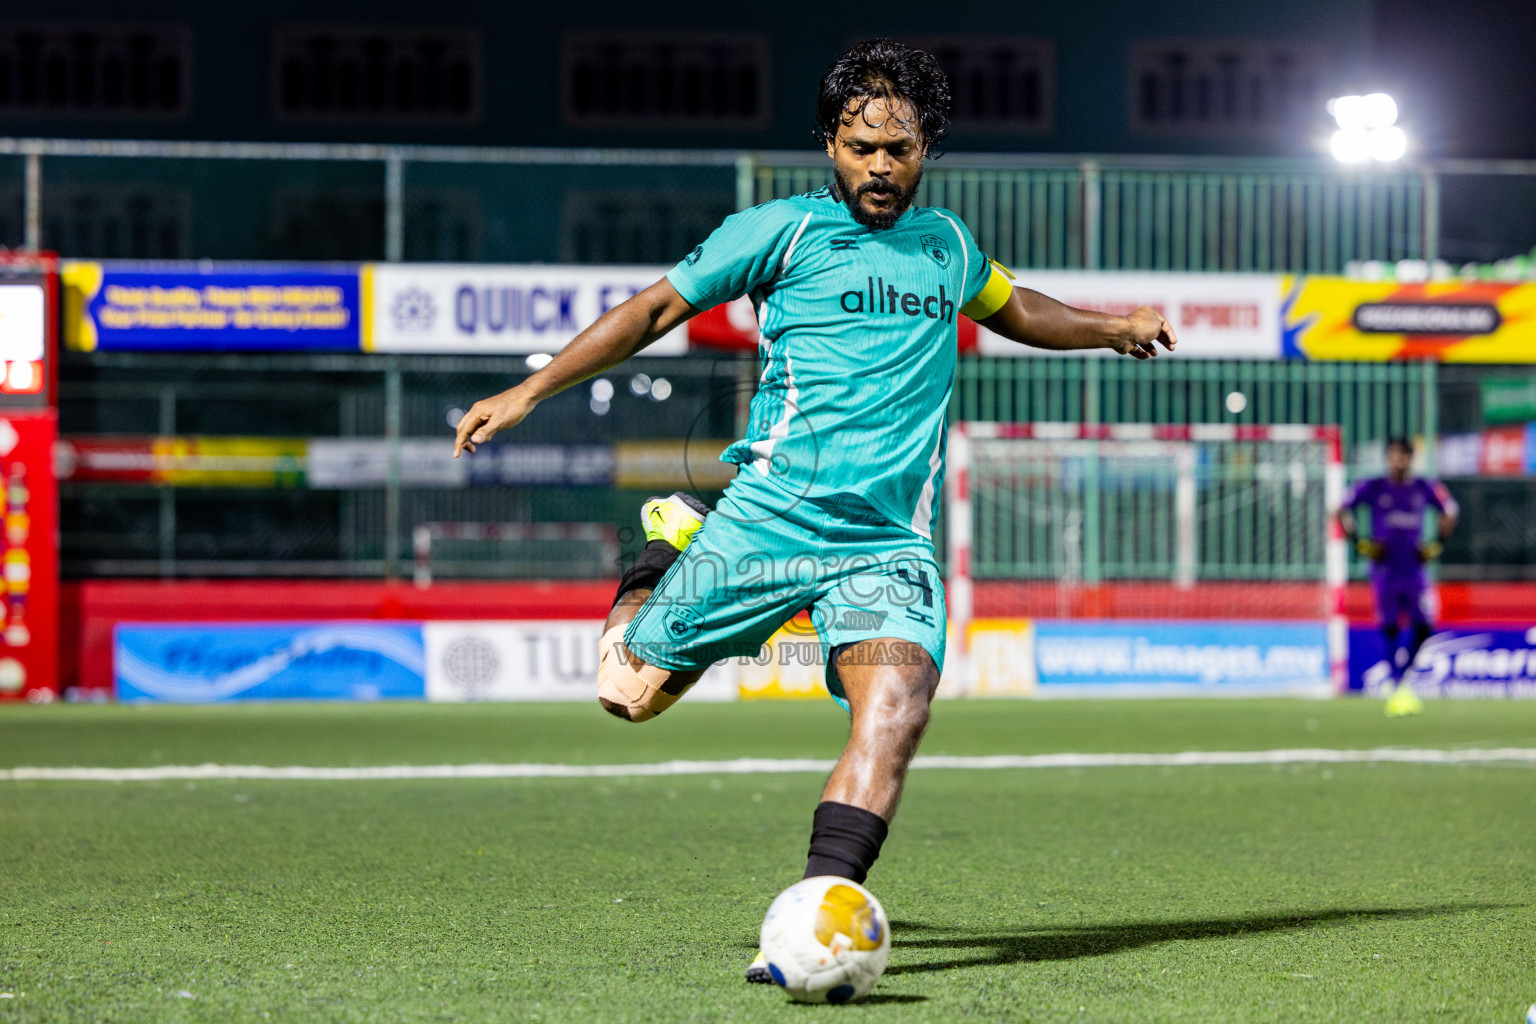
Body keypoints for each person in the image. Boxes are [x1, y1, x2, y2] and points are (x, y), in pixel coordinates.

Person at [453, 38, 1177, 982]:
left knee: (900, 699)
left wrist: (1112, 325)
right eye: (859, 145)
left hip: (886, 545)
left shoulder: (949, 245)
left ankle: (814, 923)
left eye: (900, 148)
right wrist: (533, 389)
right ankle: (662, 558)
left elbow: (1017, 310)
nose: (880, 165)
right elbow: (650, 312)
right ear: (830, 145)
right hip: (767, 525)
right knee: (627, 696)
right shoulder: (778, 232)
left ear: (929, 149)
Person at [1334, 437, 1458, 716]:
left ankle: (1400, 679)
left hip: (1414, 568)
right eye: (1393, 455)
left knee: (1423, 626)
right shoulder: (1374, 486)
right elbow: (1341, 508)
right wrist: (1360, 543)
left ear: (1411, 458)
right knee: (1390, 626)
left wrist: (1436, 544)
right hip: (1385, 569)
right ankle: (1397, 685)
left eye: (1403, 455)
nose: (1398, 460)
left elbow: (1450, 511)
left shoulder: (1423, 487)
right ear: (1387, 457)